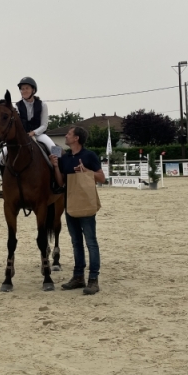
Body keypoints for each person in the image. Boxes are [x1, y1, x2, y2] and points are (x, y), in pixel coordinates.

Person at [50, 125, 106, 295]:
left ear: (76, 139)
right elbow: (61, 183)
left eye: (68, 134)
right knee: (76, 242)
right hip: (70, 203)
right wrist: (56, 166)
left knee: (91, 242)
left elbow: (102, 179)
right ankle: (78, 277)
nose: (66, 136)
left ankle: (93, 279)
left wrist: (86, 171)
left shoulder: (89, 155)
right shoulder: (65, 158)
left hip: (86, 203)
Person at [0, 77, 59, 198]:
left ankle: (57, 182)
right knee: (1, 156)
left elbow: (44, 124)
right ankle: (5, 185)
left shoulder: (43, 105)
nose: (24, 91)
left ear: (33, 90)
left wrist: (33, 133)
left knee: (55, 150)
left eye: (26, 88)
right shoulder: (17, 106)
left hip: (40, 134)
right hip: (22, 136)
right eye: (22, 89)